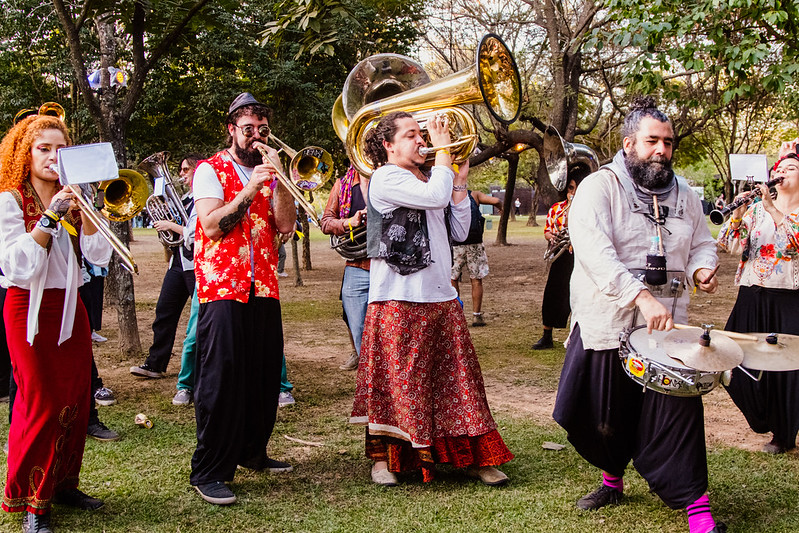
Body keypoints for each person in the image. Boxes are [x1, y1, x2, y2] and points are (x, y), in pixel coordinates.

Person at [551, 97, 725, 533]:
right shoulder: (599, 187)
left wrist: (704, 265)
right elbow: (594, 251)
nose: (661, 150)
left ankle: (697, 509)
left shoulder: (685, 193)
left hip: (669, 327)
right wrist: (640, 297)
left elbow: (703, 240)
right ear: (629, 143)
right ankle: (613, 479)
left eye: (667, 142)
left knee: (678, 410)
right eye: (652, 141)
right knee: (604, 414)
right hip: (608, 322)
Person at [350, 111, 513, 487]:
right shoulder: (385, 177)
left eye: (421, 135)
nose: (421, 141)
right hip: (397, 298)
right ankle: (385, 461)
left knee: (458, 383)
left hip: (440, 296)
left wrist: (460, 183)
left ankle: (473, 456)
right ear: (389, 145)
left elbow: (459, 229)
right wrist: (443, 156)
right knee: (397, 385)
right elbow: (432, 196)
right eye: (411, 136)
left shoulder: (431, 176)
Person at [0, 114, 111, 532]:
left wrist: (86, 218)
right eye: (42, 148)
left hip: (70, 306)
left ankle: (64, 482)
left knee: (78, 398)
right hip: (27, 308)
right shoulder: (10, 200)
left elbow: (99, 258)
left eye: (59, 149)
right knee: (41, 403)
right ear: (24, 155)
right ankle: (33, 502)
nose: (51, 156)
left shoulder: (76, 195)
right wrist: (50, 216)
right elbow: (18, 266)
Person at [189, 92, 296, 505]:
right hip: (223, 287)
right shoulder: (209, 170)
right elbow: (213, 226)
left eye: (262, 129)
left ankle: (253, 451)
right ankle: (209, 470)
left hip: (264, 284)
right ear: (231, 130)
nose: (255, 136)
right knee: (221, 378)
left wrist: (281, 179)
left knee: (263, 373)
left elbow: (284, 223)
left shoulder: (271, 173)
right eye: (248, 129)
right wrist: (251, 188)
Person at [717, 153, 799, 454]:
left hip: (789, 298)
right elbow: (729, 244)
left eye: (791, 168)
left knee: (786, 369)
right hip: (751, 294)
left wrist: (771, 208)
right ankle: (759, 417)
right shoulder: (755, 210)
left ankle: (784, 434)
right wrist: (737, 215)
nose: (783, 173)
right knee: (730, 359)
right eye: (779, 169)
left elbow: (792, 243)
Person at [130, 154, 200, 379]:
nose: (181, 174)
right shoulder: (184, 199)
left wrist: (172, 225)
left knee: (201, 318)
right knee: (164, 312)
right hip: (177, 262)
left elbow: (198, 233)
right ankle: (155, 363)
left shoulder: (203, 198)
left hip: (195, 264)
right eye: (180, 170)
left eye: (186, 170)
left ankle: (200, 365)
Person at [532, 167, 590, 349]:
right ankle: (546, 335)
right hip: (562, 254)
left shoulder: (590, 207)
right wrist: (553, 236)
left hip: (582, 254)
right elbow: (547, 231)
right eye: (570, 188)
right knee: (553, 292)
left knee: (580, 293)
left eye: (577, 188)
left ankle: (579, 335)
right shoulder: (557, 208)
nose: (572, 192)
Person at [321, 164, 370, 370]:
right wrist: (350, 222)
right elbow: (326, 223)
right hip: (356, 265)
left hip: (388, 264)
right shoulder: (343, 185)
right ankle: (366, 369)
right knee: (357, 326)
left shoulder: (390, 178)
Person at [164, 154, 203, 406]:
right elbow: (189, 234)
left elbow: (191, 232)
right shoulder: (190, 199)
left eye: (187, 169)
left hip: (214, 268)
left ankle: (280, 387)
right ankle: (185, 385)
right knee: (192, 336)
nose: (182, 174)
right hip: (201, 269)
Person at [450, 190, 501, 327]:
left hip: (454, 244)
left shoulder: (447, 194)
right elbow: (496, 201)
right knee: (476, 280)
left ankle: (457, 316)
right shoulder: (474, 195)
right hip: (475, 243)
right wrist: (501, 209)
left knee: (453, 279)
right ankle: (476, 316)